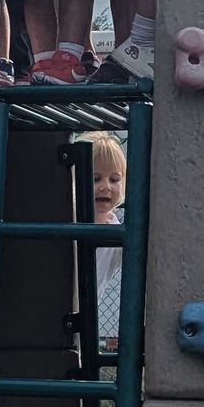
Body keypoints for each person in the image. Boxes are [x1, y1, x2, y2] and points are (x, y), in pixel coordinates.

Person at [84, 129, 126, 350]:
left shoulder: (116, 231)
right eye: (95, 178)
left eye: (114, 179)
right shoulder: (65, 216)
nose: (106, 186)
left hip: (86, 318)